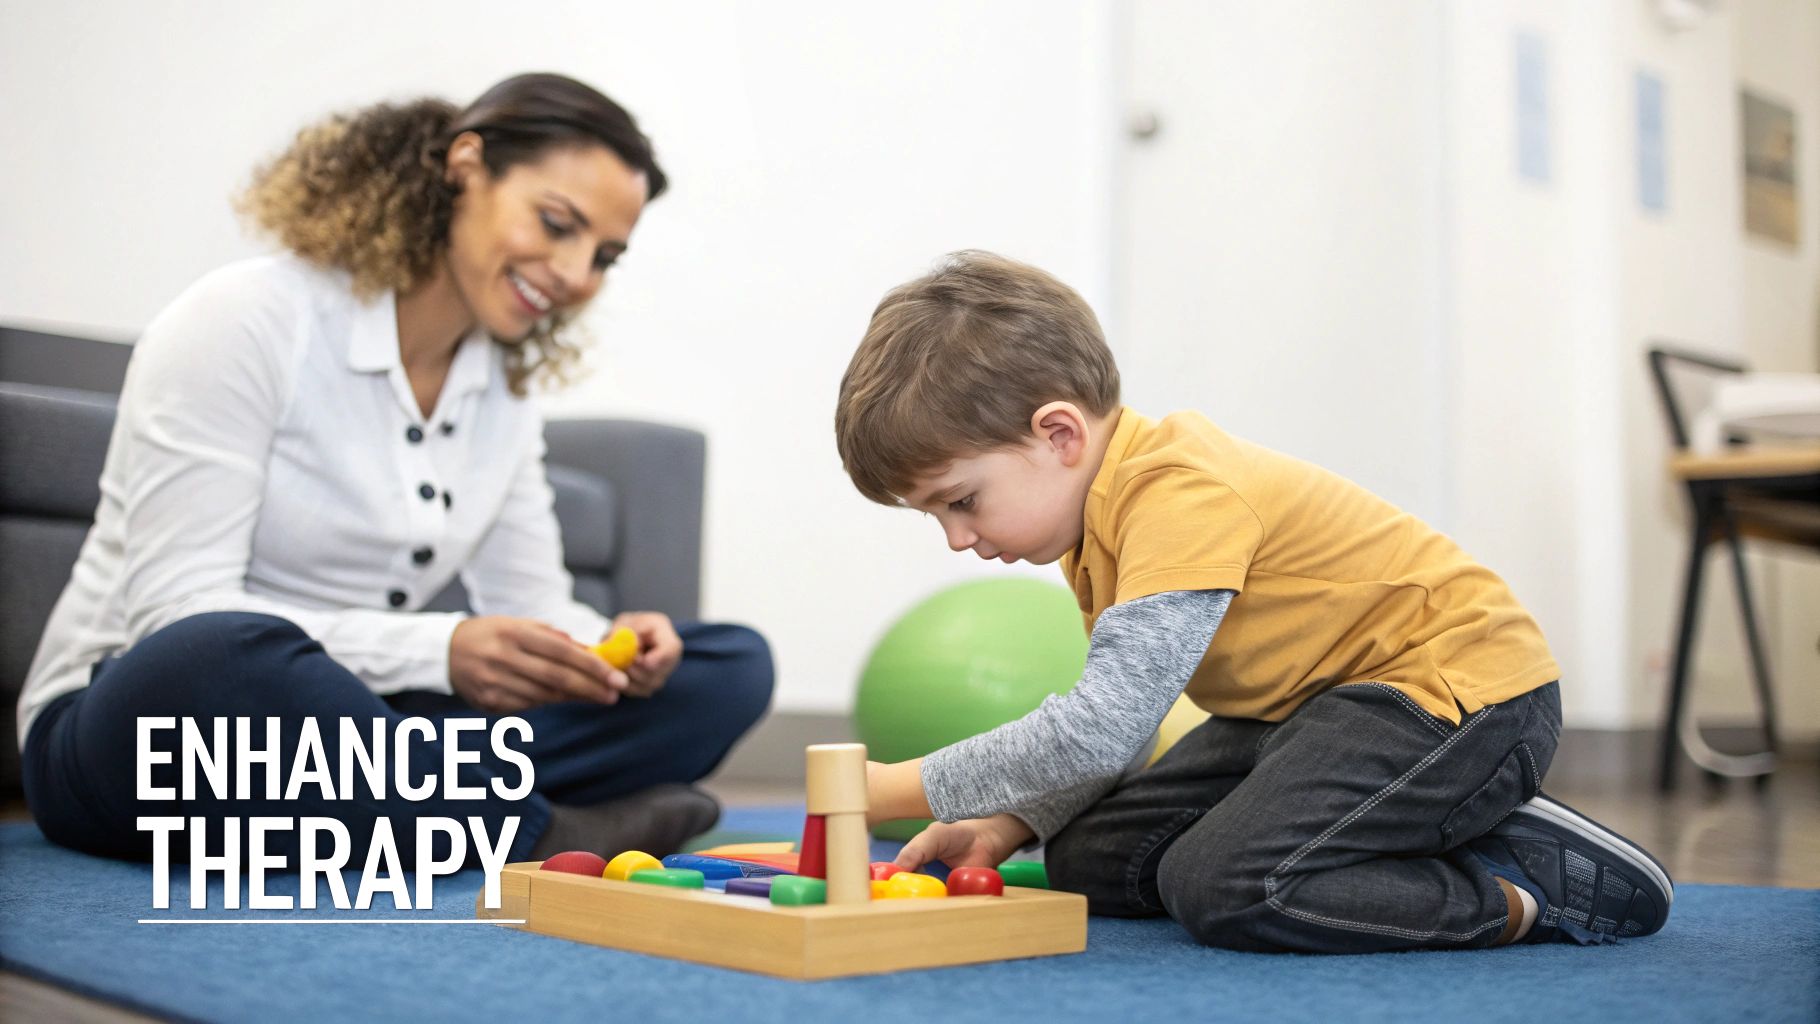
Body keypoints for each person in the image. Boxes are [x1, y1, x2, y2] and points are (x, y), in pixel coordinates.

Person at [19, 73, 773, 869]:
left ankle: (424, 799)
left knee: (727, 666)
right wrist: (442, 651)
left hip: (369, 727)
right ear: (465, 166)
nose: (574, 273)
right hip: (137, 721)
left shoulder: (501, 392)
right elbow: (173, 616)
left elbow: (534, 604)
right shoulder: (244, 320)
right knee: (212, 656)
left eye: (604, 256)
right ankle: (533, 828)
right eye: (556, 224)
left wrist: (606, 645)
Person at [834, 250, 1671, 952]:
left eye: (961, 500)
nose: (955, 538)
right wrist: (1012, 822)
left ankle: (1511, 885)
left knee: (1228, 887)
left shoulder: (1177, 494)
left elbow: (1098, 730)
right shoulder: (1090, 522)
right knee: (1092, 860)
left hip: (1456, 699)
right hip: (1309, 715)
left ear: (1059, 436)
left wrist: (887, 788)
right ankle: (1408, 827)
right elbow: (1115, 726)